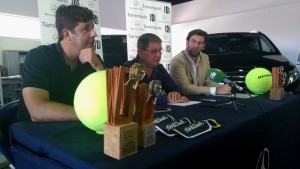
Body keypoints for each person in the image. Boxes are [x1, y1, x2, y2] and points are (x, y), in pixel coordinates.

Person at [17, 5, 104, 122]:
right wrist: (90, 115)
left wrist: (100, 69)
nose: (94, 34)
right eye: (86, 28)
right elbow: (37, 111)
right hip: (36, 133)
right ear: (67, 34)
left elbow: (109, 102)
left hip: (76, 130)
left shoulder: (94, 61)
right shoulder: (38, 57)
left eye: (92, 27)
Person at [122, 33, 189, 105]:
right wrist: (165, 99)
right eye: (154, 51)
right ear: (140, 52)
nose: (158, 55)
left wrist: (175, 93)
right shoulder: (127, 69)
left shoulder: (159, 68)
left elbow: (174, 87)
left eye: (160, 51)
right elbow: (133, 98)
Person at [169, 29, 231, 96]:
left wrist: (222, 87)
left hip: (199, 98)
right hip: (181, 100)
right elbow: (185, 88)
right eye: (193, 41)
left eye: (200, 43)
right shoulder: (178, 60)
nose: (196, 46)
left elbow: (207, 81)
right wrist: (216, 90)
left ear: (203, 47)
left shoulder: (205, 57)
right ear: (187, 42)